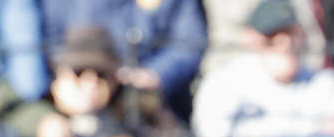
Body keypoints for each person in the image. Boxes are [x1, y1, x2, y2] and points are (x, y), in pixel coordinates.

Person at [192, 0, 334, 137]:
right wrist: (311, 128)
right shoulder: (225, 82)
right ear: (253, 38)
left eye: (290, 33)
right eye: (272, 35)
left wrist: (261, 136)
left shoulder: (324, 82)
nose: (284, 42)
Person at [12, 24, 186, 137]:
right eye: (78, 72)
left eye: (101, 74)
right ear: (57, 77)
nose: (90, 84)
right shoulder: (37, 112)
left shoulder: (136, 104)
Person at [40, 0, 209, 118]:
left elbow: (189, 43)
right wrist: (65, 75)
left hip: (144, 94)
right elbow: (47, 38)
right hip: (78, 87)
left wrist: (153, 74)